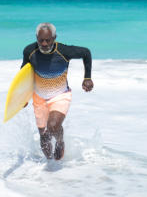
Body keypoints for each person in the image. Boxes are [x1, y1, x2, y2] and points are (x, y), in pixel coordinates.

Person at [21, 23, 94, 160]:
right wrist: (22, 97)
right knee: (44, 137)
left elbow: (86, 52)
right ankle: (50, 172)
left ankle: (60, 142)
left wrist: (87, 78)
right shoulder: (29, 51)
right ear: (36, 37)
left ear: (54, 38)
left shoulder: (64, 50)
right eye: (41, 40)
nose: (44, 43)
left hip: (60, 95)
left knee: (53, 126)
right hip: (39, 97)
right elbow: (24, 74)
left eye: (48, 40)